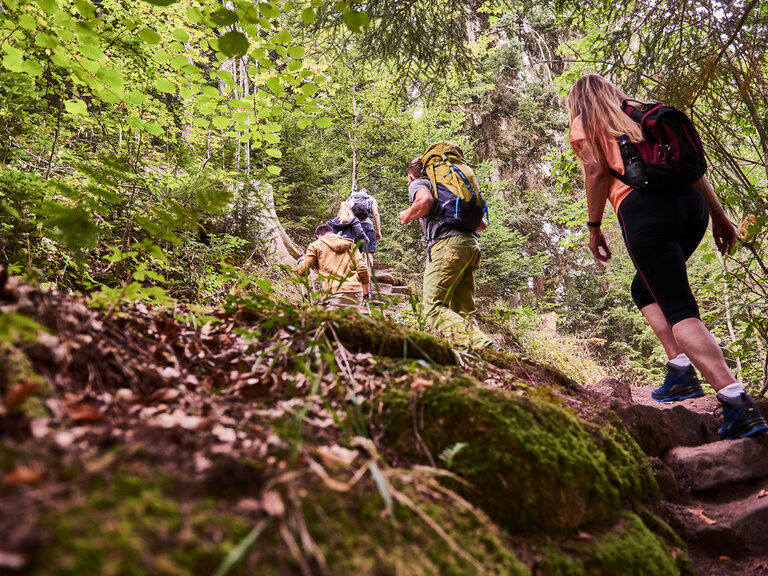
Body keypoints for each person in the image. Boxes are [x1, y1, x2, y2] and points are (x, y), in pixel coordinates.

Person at [566, 73, 767, 440]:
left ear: (577, 102)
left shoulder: (587, 122)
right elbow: (691, 169)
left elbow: (596, 171)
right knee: (645, 291)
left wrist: (594, 226)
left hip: (644, 212)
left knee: (679, 311)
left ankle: (737, 404)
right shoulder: (641, 114)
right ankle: (680, 373)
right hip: (693, 210)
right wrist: (719, 217)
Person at [398, 157, 494, 349]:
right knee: (464, 311)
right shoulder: (450, 187)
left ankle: (483, 346)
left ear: (410, 176)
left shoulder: (419, 182)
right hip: (470, 246)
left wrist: (407, 215)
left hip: (447, 247)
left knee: (433, 308)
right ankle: (480, 356)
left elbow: (424, 201)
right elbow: (481, 225)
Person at [296, 224, 370, 309]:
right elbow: (362, 268)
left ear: (318, 236)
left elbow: (303, 271)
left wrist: (301, 262)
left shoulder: (316, 245)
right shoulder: (351, 245)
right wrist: (366, 293)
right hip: (356, 292)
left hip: (334, 292)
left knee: (331, 322)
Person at [347, 187, 382, 253]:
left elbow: (345, 212)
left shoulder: (351, 198)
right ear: (367, 193)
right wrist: (378, 230)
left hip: (354, 226)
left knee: (354, 252)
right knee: (368, 252)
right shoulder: (370, 198)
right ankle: (367, 263)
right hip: (367, 225)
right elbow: (376, 213)